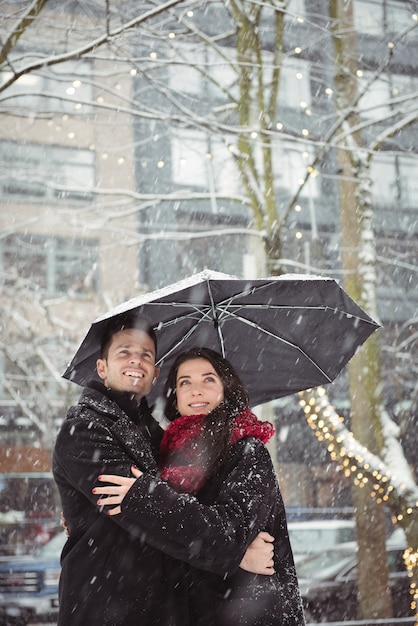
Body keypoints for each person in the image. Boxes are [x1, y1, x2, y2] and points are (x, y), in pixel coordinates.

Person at [53, 314, 277, 626]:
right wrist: (234, 555)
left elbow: (184, 512)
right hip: (106, 606)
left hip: (167, 608)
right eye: (124, 352)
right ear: (102, 367)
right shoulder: (84, 430)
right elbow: (142, 514)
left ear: (156, 374)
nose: (136, 361)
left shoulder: (162, 438)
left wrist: (229, 548)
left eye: (146, 355)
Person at [93, 347, 305, 625]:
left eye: (208, 379)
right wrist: (87, 520)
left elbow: (228, 532)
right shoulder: (163, 460)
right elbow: (158, 535)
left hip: (247, 614)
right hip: (185, 610)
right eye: (185, 382)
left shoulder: (247, 451)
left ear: (226, 389)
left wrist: (148, 498)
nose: (196, 390)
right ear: (175, 397)